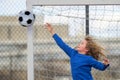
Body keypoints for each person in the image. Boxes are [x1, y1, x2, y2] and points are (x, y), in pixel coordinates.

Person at [45, 23, 110, 80]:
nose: (79, 44)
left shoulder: (89, 59)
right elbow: (62, 44)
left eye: (82, 43)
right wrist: (52, 31)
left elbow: (101, 67)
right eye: (80, 43)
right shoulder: (73, 53)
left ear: (86, 49)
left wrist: (105, 64)